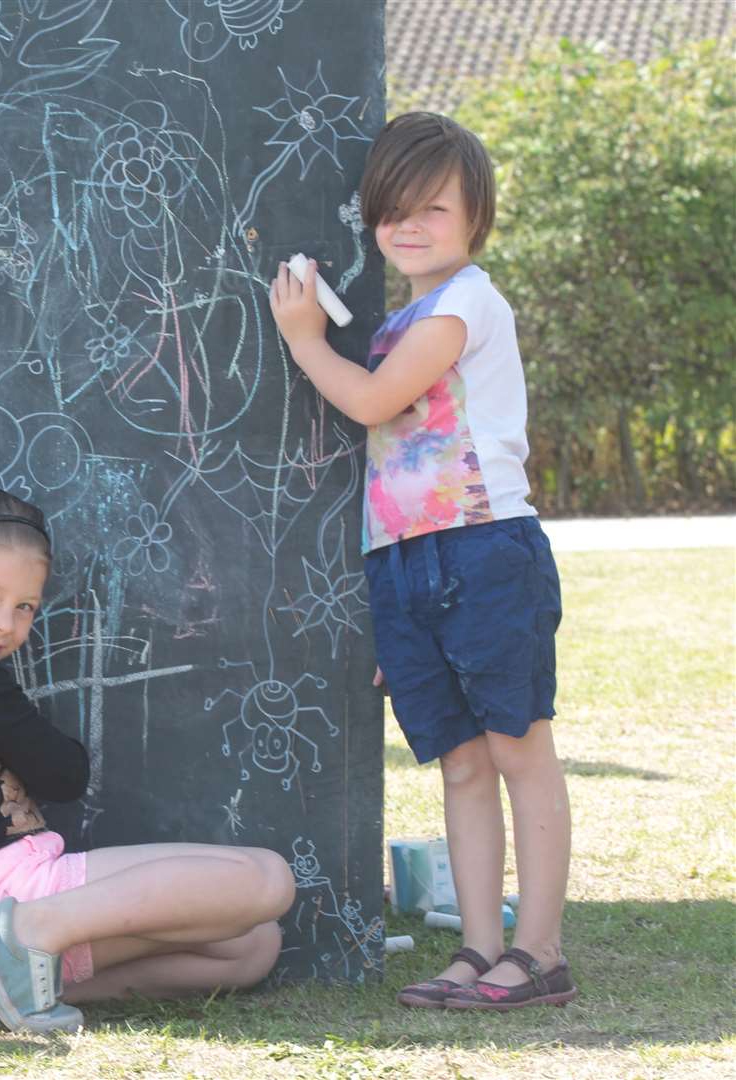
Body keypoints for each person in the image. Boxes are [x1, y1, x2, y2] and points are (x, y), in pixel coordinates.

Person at [268, 112, 575, 1010]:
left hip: (483, 550)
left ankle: (541, 950)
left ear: (475, 221)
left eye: (432, 209)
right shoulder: (406, 314)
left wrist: (302, 339)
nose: (407, 226)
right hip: (405, 560)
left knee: (519, 751)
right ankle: (481, 949)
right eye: (391, 211)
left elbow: (372, 405)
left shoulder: (466, 302)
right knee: (461, 763)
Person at [0, 488, 296, 1034]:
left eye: (24, 608)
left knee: (254, 944)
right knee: (269, 880)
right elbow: (65, 776)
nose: (3, 624)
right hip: (18, 897)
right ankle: (26, 935)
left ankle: (9, 984)